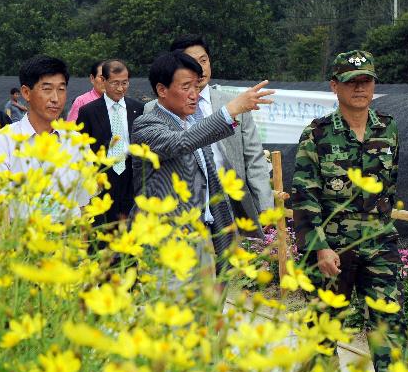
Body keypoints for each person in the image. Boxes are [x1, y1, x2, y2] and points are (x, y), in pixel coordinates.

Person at [290, 50, 408, 372]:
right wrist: (319, 246)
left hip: (378, 242)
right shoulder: (317, 133)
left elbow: (391, 185)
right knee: (324, 326)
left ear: (374, 86)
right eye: (351, 82)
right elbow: (304, 195)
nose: (359, 88)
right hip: (330, 248)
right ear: (335, 86)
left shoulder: (389, 128)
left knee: (390, 322)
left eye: (366, 81)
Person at [131, 50, 273, 276]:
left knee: (208, 309)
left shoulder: (194, 125)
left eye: (197, 87)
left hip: (205, 240)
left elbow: (212, 189)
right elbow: (179, 142)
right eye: (186, 87)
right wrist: (231, 110)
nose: (194, 95)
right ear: (162, 90)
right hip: (166, 245)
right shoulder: (146, 125)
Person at [169, 34, 274, 234]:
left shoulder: (234, 103)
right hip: (184, 208)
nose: (200, 68)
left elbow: (254, 158)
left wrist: (265, 206)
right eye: (191, 62)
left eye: (204, 60)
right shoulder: (161, 109)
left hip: (231, 204)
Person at [0, 55, 90, 218]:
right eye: (47, 89)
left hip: (67, 238)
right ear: (26, 93)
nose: (55, 99)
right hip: (20, 238)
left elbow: (83, 205)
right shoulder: (3, 141)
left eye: (61, 89)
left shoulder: (78, 142)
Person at [76, 59, 144, 226]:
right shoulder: (88, 111)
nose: (120, 88)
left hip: (131, 177)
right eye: (115, 83)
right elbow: (80, 147)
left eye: (125, 83)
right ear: (103, 81)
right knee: (102, 228)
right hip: (102, 177)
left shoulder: (138, 109)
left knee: (130, 227)